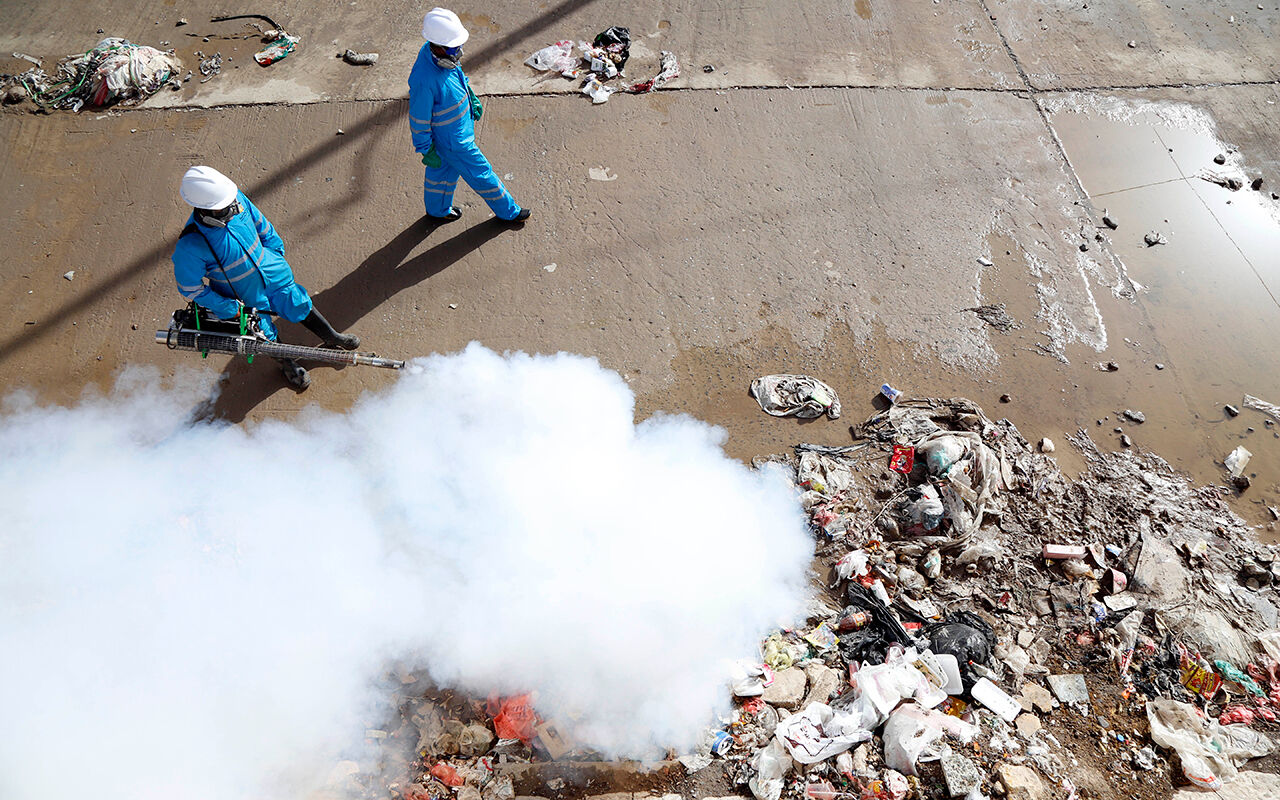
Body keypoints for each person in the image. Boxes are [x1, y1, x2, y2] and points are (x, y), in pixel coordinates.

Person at [171, 165, 359, 391]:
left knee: (299, 303)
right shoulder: (191, 245)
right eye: (224, 210)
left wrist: (275, 252)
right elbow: (190, 288)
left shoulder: (233, 198)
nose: (232, 210)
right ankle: (287, 364)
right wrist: (227, 307)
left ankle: (332, 337)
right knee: (263, 332)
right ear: (204, 210)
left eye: (231, 203)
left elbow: (262, 224)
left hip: (273, 272)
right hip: (243, 295)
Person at [409, 7, 530, 224]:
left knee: (441, 175)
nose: (460, 51)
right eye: (455, 47)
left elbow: (458, 77)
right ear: (438, 47)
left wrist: (471, 97)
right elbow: (418, 119)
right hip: (457, 143)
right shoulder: (424, 80)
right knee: (482, 174)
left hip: (453, 135)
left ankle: (437, 211)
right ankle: (509, 212)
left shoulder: (437, 55)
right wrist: (425, 148)